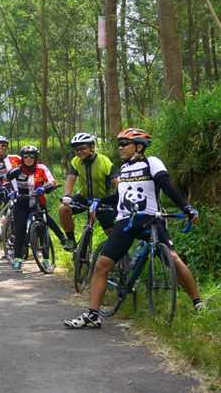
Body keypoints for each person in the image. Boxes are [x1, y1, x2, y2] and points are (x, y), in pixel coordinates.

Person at [64, 128, 205, 329]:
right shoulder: (124, 169)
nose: (119, 147)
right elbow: (121, 196)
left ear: (138, 146)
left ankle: (198, 303)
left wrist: (186, 207)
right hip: (125, 221)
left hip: (150, 219)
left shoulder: (151, 162)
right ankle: (92, 315)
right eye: (119, 144)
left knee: (172, 258)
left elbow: (167, 187)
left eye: (124, 144)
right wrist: (100, 201)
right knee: (102, 265)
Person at [5, 145, 66, 272]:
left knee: (42, 231)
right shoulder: (17, 170)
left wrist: (45, 187)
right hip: (21, 203)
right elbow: (7, 179)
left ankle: (46, 260)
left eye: (31, 156)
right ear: (21, 158)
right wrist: (10, 190)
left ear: (36, 157)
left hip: (38, 202)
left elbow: (51, 181)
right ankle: (17, 259)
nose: (28, 158)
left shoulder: (42, 168)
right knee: (20, 230)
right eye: (25, 156)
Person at [58, 133, 119, 250]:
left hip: (102, 200)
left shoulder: (103, 161)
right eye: (77, 150)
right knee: (63, 209)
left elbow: (115, 180)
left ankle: (119, 259)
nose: (79, 152)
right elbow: (70, 179)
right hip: (84, 198)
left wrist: (121, 192)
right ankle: (71, 241)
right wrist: (66, 195)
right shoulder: (76, 161)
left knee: (110, 232)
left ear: (92, 148)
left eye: (83, 148)